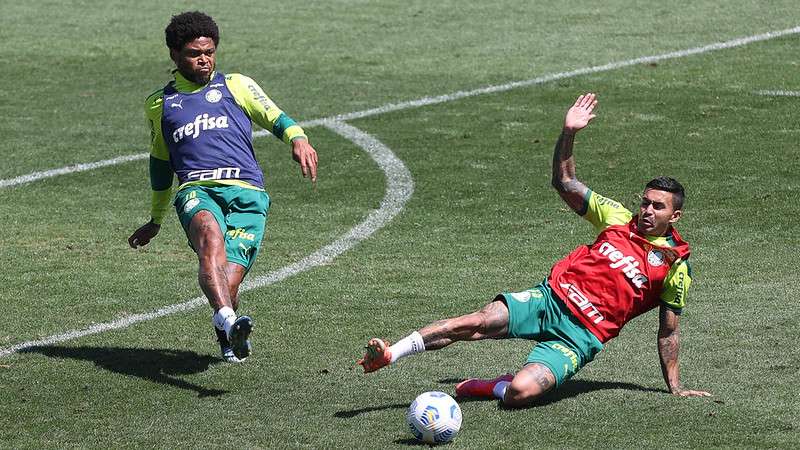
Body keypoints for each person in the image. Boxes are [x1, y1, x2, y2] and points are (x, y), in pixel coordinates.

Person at [358, 93, 711, 406]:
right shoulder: (617, 218)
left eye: (657, 207)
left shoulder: (674, 265)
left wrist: (675, 386)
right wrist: (569, 132)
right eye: (645, 203)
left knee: (521, 393)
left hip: (581, 336)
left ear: (675, 215)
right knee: (477, 323)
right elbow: (565, 181)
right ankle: (392, 353)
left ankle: (493, 386)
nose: (647, 211)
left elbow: (668, 330)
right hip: (549, 299)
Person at [128, 11, 318, 364]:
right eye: (194, 53)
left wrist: (298, 138)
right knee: (209, 241)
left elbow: (276, 117)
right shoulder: (160, 104)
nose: (204, 60)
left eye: (210, 52)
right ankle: (229, 320)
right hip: (197, 189)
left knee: (229, 281)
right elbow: (160, 161)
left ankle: (229, 334)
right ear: (173, 54)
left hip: (248, 193)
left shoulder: (237, 85)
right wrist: (155, 219)